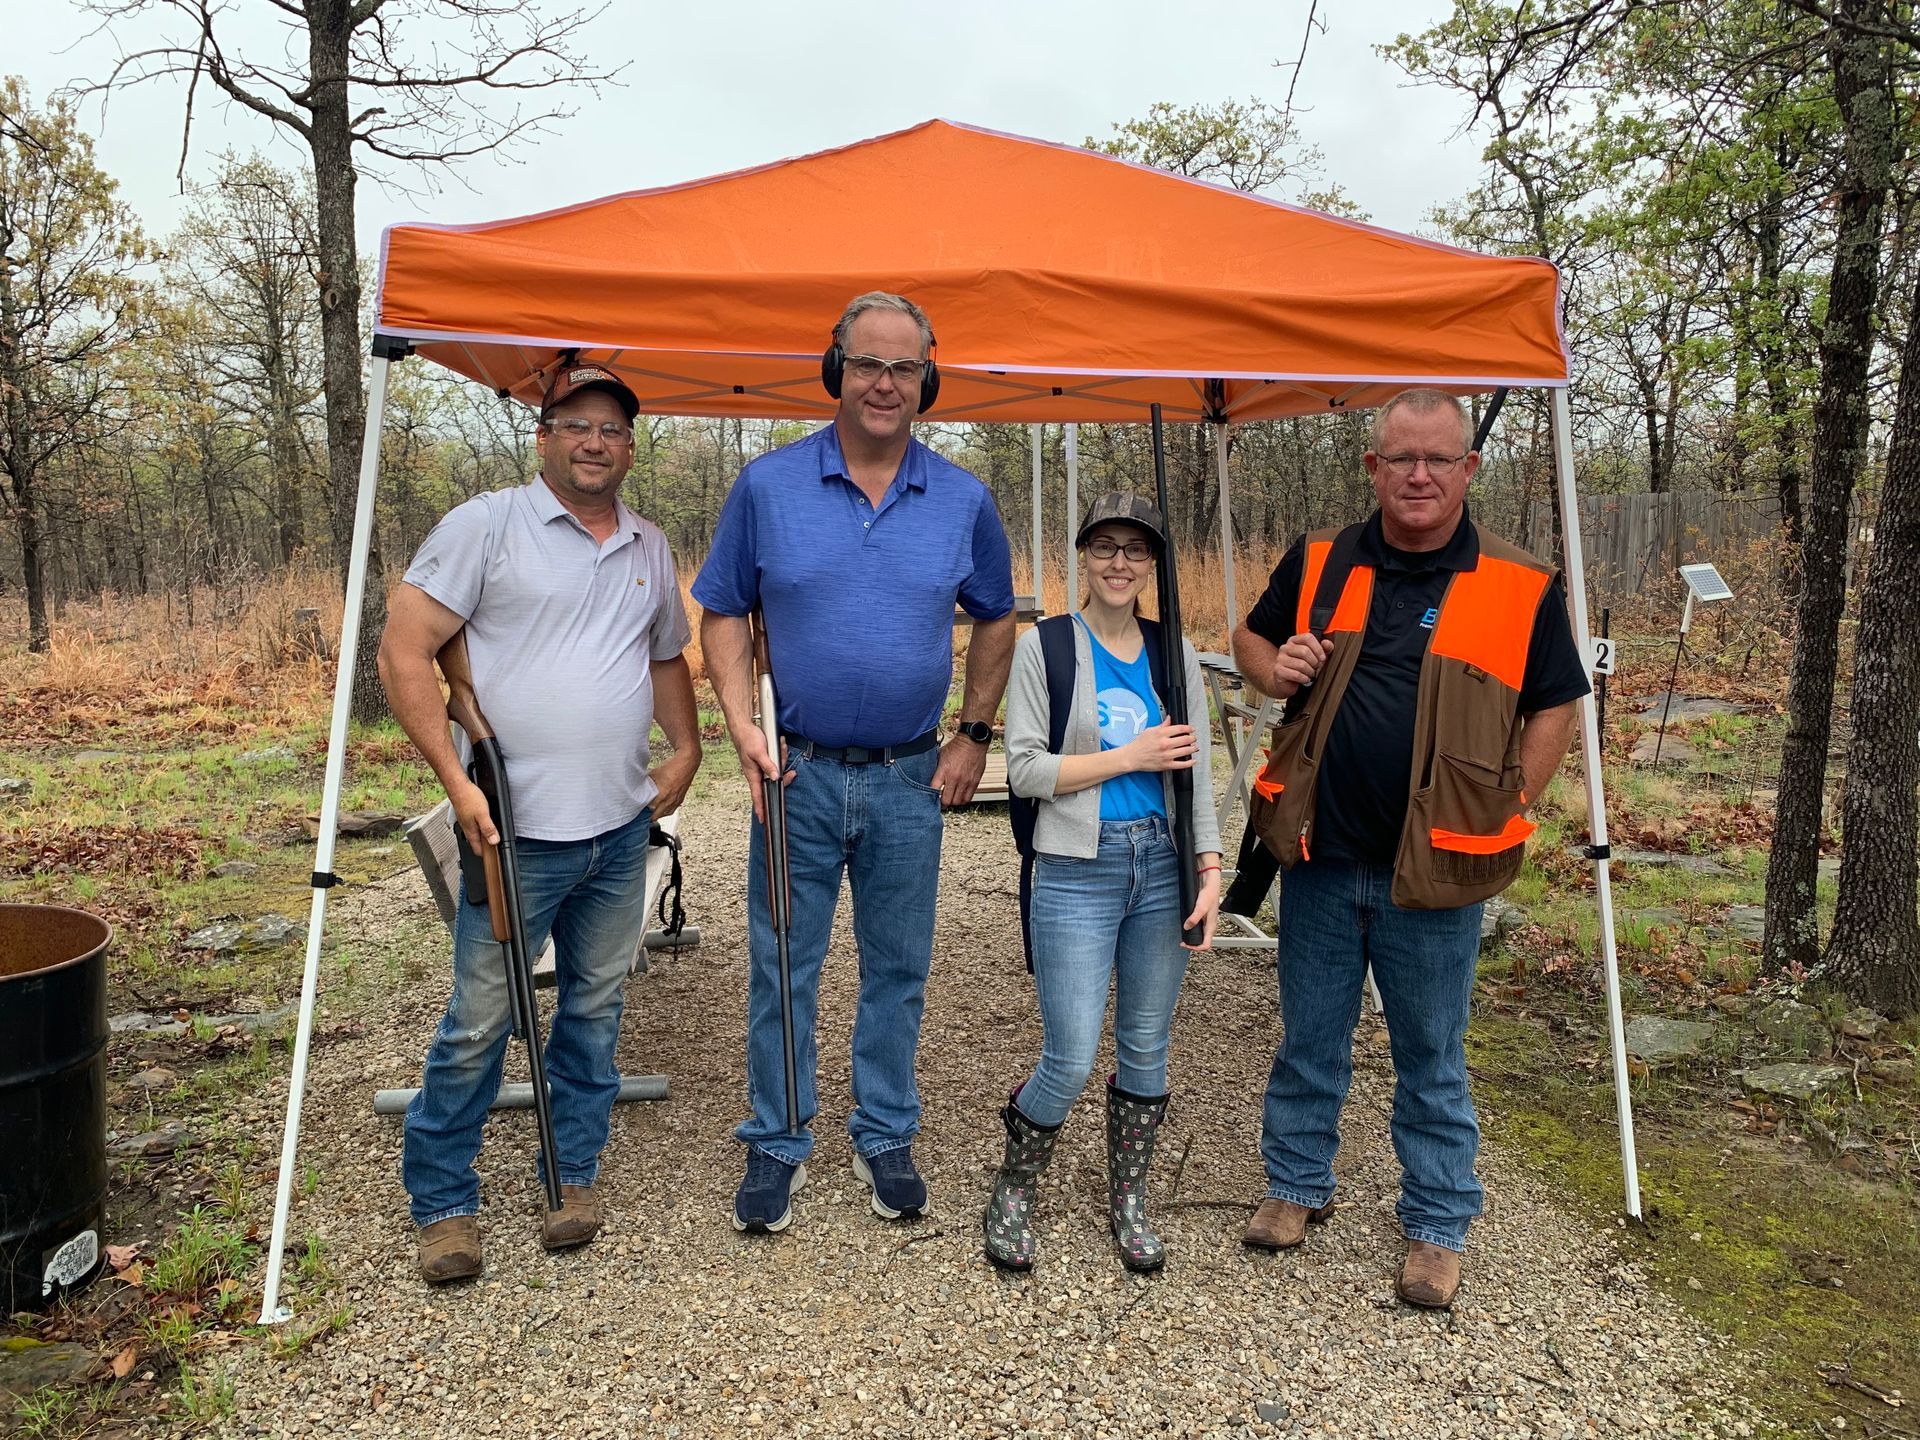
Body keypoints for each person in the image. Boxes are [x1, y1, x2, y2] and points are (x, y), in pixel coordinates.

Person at [1230, 388, 1588, 1309]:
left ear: (1470, 468)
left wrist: (1513, 795)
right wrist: (1275, 668)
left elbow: (1557, 700)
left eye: (1438, 459)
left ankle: (1435, 1226)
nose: (1419, 475)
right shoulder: (1321, 559)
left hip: (1435, 871)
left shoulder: (1522, 582)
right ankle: (1296, 1186)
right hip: (1318, 855)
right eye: (1401, 459)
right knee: (1310, 1042)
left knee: (1431, 1052)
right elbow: (1250, 639)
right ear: (1373, 469)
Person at [694, 292, 1015, 1234]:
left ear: (929, 379)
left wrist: (974, 731)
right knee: (782, 964)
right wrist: (738, 724)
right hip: (793, 773)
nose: (885, 383)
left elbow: (996, 615)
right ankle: (777, 1138)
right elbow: (720, 609)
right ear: (835, 367)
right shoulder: (768, 486)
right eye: (868, 364)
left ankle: (885, 1130)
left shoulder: (962, 498)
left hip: (911, 775)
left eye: (904, 367)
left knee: (898, 967)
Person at [377, 363, 700, 1283]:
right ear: (544, 434)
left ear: (631, 447)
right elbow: (404, 651)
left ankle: (572, 1174)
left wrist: (683, 749)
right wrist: (456, 781)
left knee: (593, 1013)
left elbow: (667, 656)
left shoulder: (645, 544)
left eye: (613, 429)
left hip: (615, 832)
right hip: (511, 833)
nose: (596, 442)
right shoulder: (485, 526)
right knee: (481, 1021)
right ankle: (443, 1199)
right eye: (577, 425)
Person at [987, 493, 1222, 1274]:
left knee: (1147, 1047)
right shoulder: (1045, 648)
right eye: (1105, 547)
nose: (1120, 563)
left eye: (1137, 550)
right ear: (1082, 557)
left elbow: (1199, 773)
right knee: (1072, 1055)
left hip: (1162, 862)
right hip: (1075, 870)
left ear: (1153, 565)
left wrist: (1210, 868)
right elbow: (1023, 770)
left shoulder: (1174, 650)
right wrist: (1132, 756)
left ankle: (1130, 1200)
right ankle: (1016, 1188)